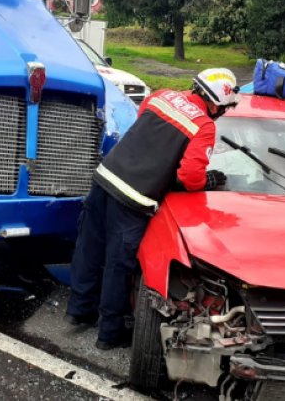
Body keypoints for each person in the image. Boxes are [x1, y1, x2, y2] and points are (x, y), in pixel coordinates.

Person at [66, 68, 239, 350]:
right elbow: (190, 177)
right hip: (134, 197)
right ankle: (109, 334)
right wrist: (208, 180)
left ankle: (78, 311)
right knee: (118, 266)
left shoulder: (161, 96)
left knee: (88, 248)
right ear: (217, 103)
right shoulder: (205, 127)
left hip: (104, 178)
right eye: (225, 107)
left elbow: (144, 130)